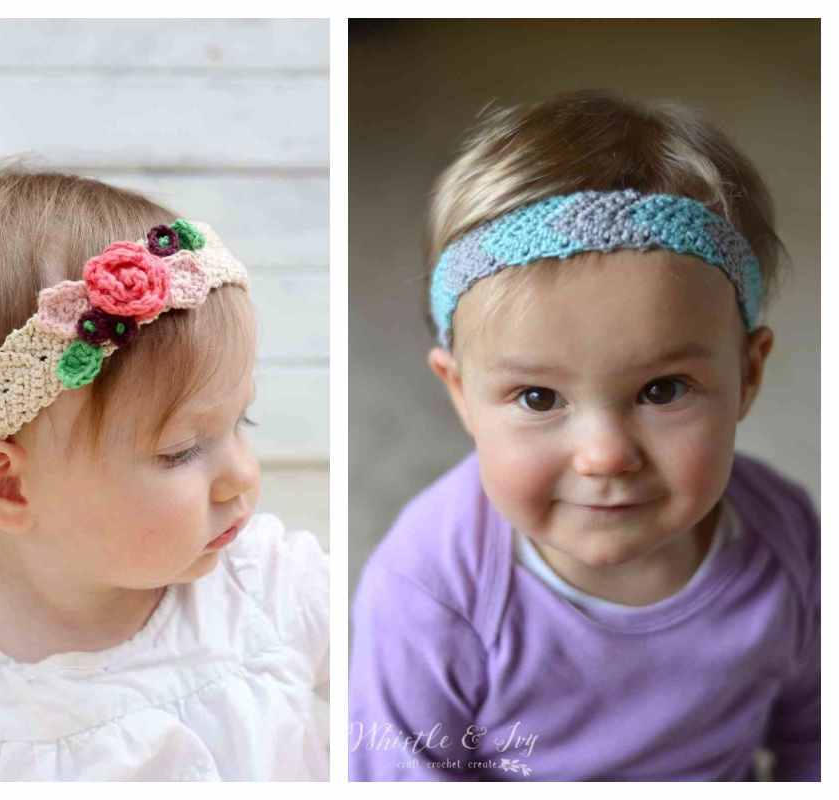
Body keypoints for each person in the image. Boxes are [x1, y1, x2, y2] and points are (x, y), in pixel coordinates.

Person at [348, 89, 819, 781]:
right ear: (460, 394)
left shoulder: (786, 539)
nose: (605, 455)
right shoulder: (428, 591)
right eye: (539, 397)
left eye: (662, 390)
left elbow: (814, 737)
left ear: (748, 375)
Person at [0, 162, 329, 780]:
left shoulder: (272, 591)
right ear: (5, 484)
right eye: (181, 450)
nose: (241, 475)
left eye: (243, 421)